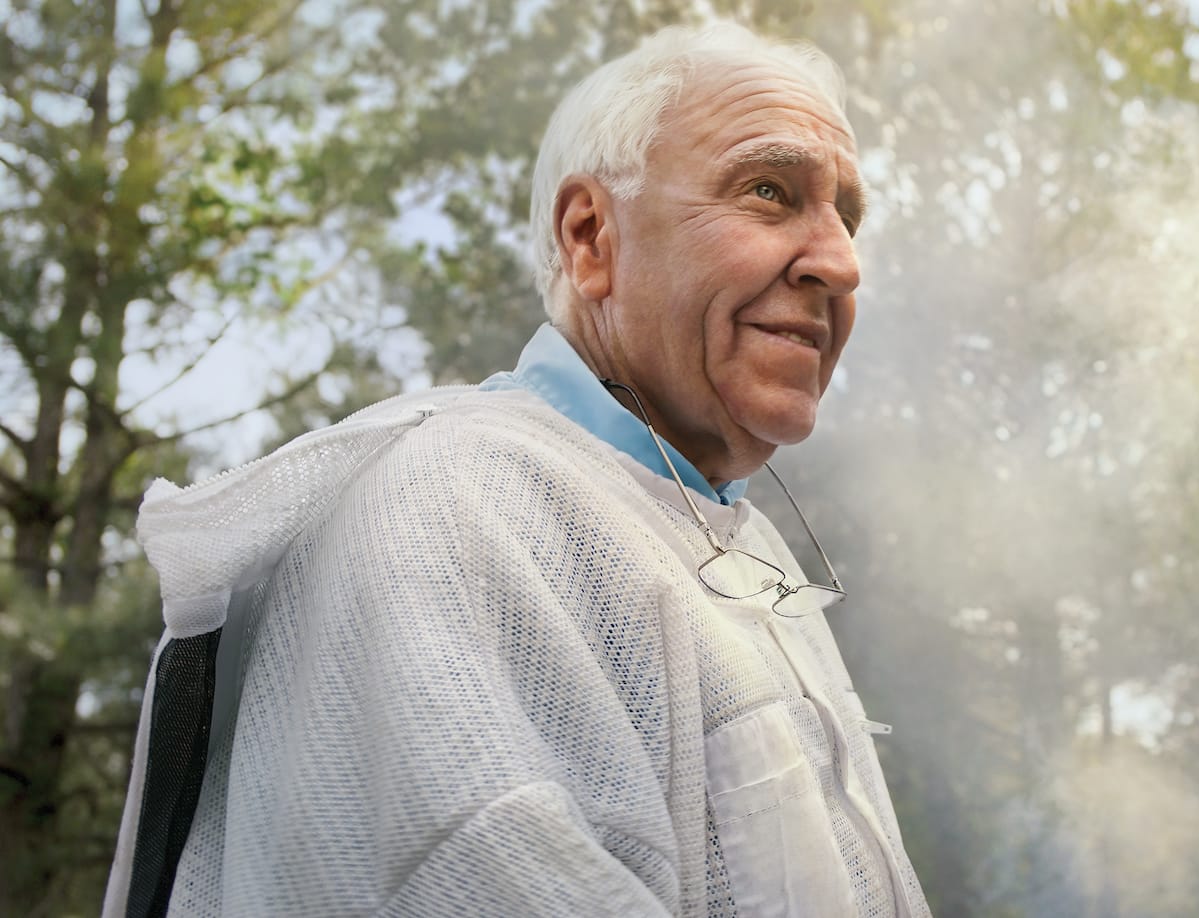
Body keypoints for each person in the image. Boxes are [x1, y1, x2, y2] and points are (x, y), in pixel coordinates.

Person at [102, 23, 930, 917]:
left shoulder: (728, 532)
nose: (841, 263)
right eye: (769, 192)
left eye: (846, 215)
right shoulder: (459, 505)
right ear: (590, 239)